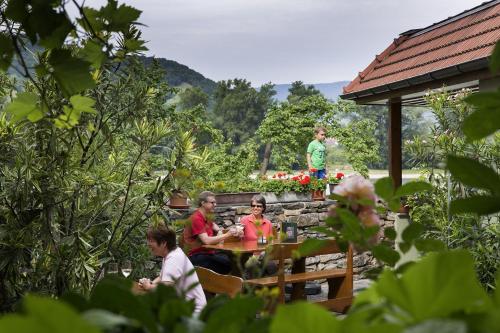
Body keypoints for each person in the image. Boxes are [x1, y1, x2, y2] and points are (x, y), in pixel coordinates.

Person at [138, 224, 207, 314]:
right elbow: (162, 277)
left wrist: (148, 287)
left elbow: (165, 290)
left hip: (194, 314)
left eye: (151, 241)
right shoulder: (171, 254)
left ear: (163, 243)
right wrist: (151, 282)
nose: (148, 244)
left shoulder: (174, 258)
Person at [183, 191, 235, 274]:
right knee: (227, 264)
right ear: (203, 203)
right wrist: (228, 234)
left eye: (215, 202)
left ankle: (224, 285)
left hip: (207, 253)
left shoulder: (207, 217)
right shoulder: (196, 218)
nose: (215, 205)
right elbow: (206, 240)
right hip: (196, 256)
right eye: (212, 202)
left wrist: (221, 231)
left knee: (230, 261)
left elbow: (217, 229)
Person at [240, 194, 277, 278]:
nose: (255, 208)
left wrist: (261, 252)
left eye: (259, 206)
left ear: (263, 208)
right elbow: (239, 239)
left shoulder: (267, 223)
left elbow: (269, 241)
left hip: (262, 253)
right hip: (248, 254)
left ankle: (274, 288)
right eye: (253, 205)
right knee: (253, 265)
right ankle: (252, 288)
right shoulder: (244, 220)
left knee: (272, 266)